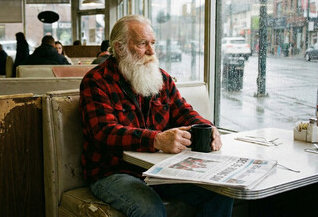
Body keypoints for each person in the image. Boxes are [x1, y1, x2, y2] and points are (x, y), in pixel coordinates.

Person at [79, 15, 233, 217]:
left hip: (158, 169)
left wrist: (207, 127)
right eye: (143, 44)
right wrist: (157, 140)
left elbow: (185, 112)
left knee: (220, 191)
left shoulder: (162, 78)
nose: (151, 52)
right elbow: (104, 132)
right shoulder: (96, 81)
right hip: (113, 171)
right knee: (149, 207)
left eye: (153, 43)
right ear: (119, 48)